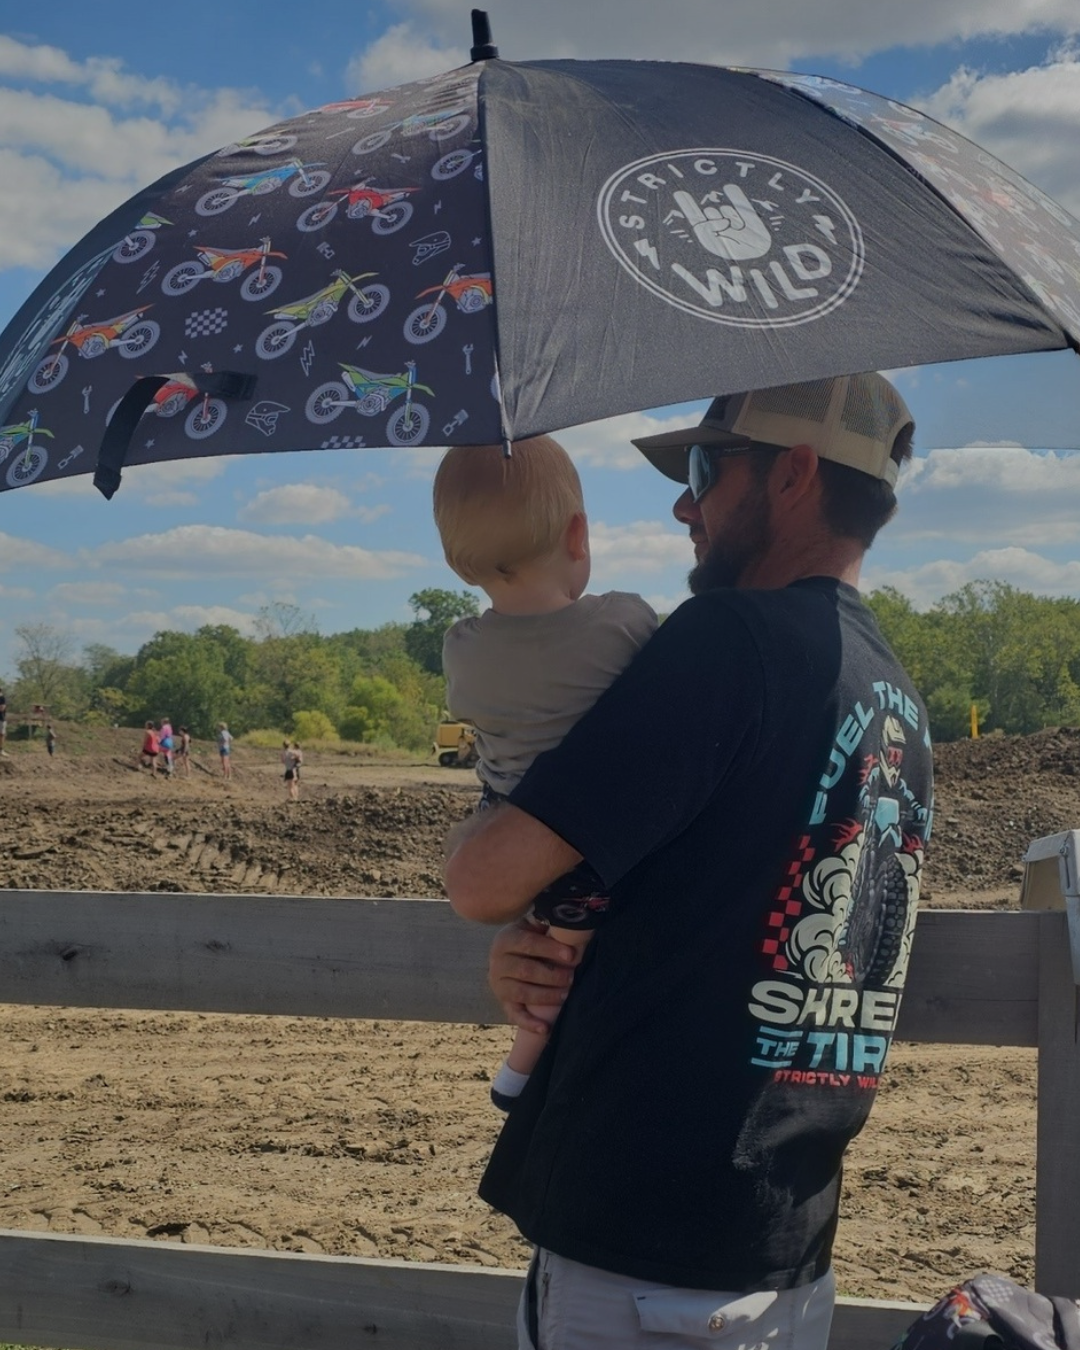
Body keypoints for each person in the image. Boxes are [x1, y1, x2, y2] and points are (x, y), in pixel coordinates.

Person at [445, 373, 934, 1350]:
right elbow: (727, 903)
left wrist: (509, 907)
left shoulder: (727, 643)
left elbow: (484, 879)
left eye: (708, 469)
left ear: (794, 474)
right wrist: (543, 952)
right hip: (785, 1248)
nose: (683, 504)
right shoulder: (896, 695)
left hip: (641, 1244)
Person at [434, 436, 657, 1109]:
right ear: (578, 534)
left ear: (457, 559)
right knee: (570, 952)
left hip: (510, 823)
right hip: (598, 850)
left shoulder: (462, 650)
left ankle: (519, 1066)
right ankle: (522, 1067)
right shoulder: (623, 621)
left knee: (550, 959)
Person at [0, 687, 7, 757]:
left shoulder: (2, 698)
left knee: (1, 734)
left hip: (1, 719)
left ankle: (1, 750)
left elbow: (2, 708)